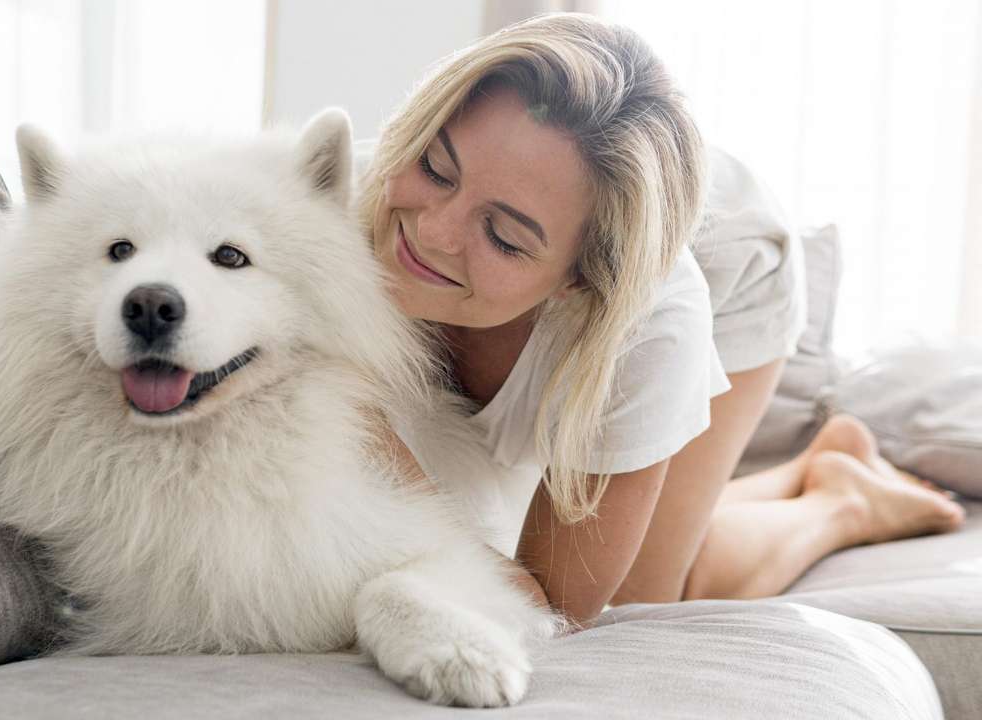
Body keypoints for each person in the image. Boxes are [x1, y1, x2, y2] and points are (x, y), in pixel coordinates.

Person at [354, 12, 966, 628]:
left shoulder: (649, 324)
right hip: (593, 188)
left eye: (504, 237)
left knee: (651, 589)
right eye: (436, 167)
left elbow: (552, 608)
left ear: (577, 279)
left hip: (735, 261)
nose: (430, 231)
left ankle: (842, 500)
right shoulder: (335, 197)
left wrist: (369, 442)